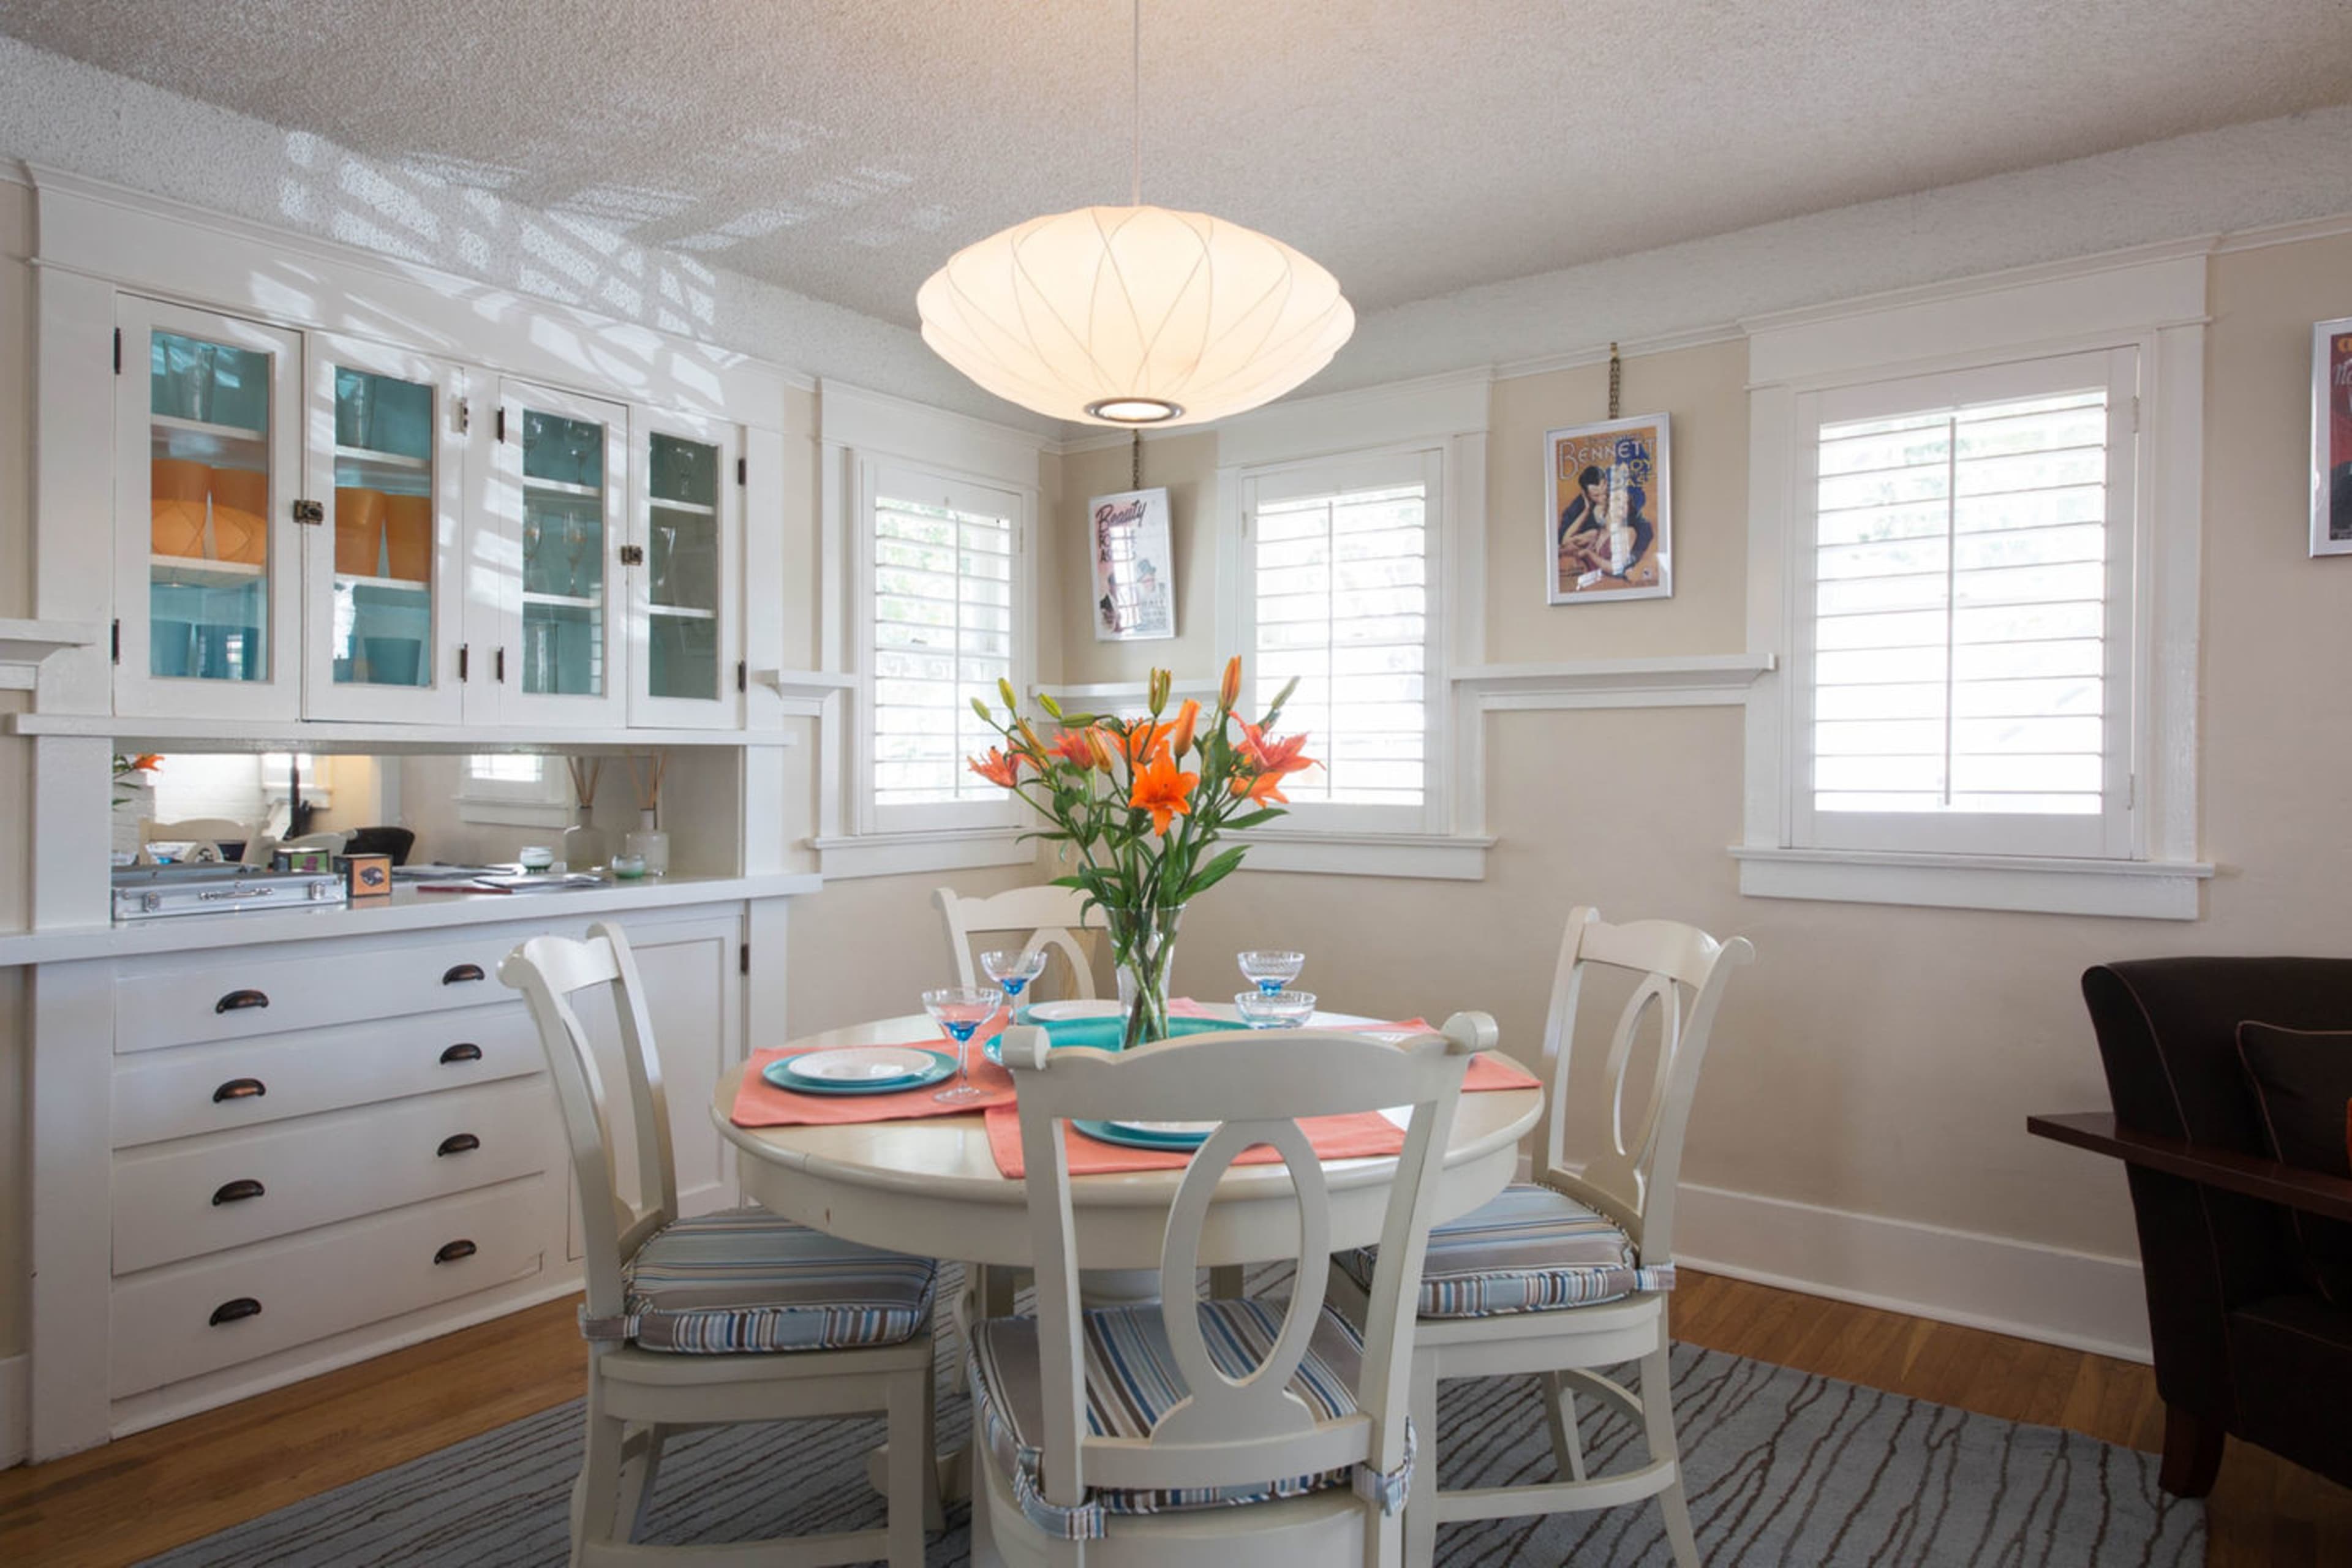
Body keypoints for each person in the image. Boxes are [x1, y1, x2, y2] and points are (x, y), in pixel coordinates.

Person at [1559, 465, 1653, 581]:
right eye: (1597, 495)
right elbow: (1565, 541)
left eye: (1624, 505)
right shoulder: (1595, 532)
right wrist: (1587, 510)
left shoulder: (1629, 531)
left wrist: (1589, 554)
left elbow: (1617, 568)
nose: (1603, 497)